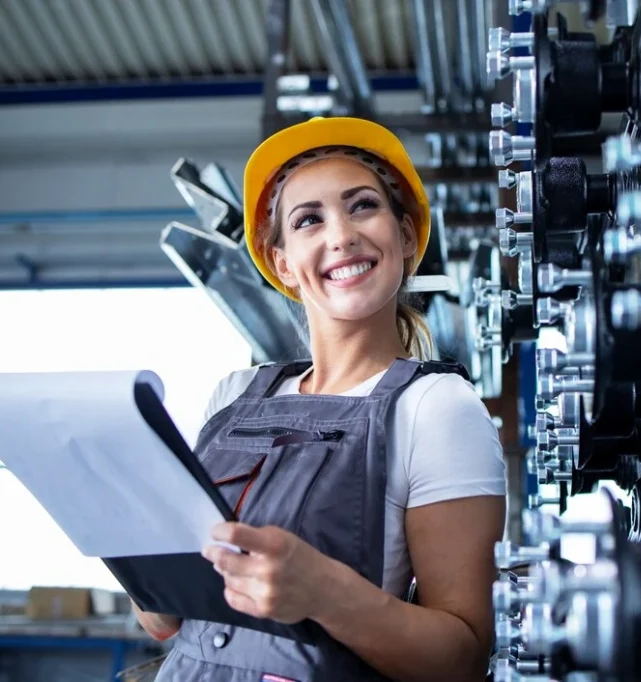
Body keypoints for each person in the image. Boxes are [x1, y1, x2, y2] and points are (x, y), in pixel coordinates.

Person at [132, 116, 507, 682]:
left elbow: (461, 659)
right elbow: (162, 622)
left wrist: (326, 594)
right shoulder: (234, 396)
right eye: (309, 220)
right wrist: (135, 555)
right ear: (283, 263)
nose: (341, 235)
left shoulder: (437, 409)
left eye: (362, 207)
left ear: (405, 236)